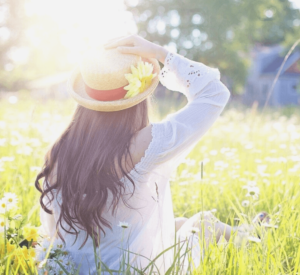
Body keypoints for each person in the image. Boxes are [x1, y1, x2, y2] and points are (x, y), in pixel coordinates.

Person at [34, 35, 267, 275]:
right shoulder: (144, 144)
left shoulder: (60, 149)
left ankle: (247, 233)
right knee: (203, 224)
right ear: (139, 98)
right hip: (129, 270)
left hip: (71, 269)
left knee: (175, 225)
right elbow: (214, 93)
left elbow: (52, 230)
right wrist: (161, 53)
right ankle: (250, 238)